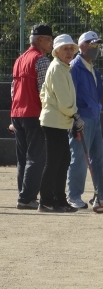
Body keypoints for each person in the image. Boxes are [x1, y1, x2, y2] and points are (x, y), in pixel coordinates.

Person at [67, 31, 103, 209]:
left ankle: (102, 196)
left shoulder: (93, 69)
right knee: (79, 159)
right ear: (81, 46)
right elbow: (71, 95)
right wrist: (76, 119)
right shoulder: (75, 67)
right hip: (82, 118)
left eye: (97, 45)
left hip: (94, 116)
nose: (96, 48)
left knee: (100, 158)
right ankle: (73, 196)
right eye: (92, 45)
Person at [38, 34, 84, 213]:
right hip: (54, 122)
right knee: (54, 162)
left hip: (59, 121)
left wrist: (71, 116)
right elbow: (65, 102)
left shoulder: (63, 68)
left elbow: (44, 92)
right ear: (56, 51)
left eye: (72, 48)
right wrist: (75, 116)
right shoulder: (57, 68)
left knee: (63, 160)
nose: (70, 51)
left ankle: (59, 200)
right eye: (65, 48)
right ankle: (47, 201)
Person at [10, 24, 53, 210]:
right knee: (36, 157)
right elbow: (44, 91)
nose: (51, 44)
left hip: (17, 113)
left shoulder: (20, 60)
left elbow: (13, 90)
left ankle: (24, 195)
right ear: (40, 40)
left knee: (23, 158)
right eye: (50, 40)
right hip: (34, 113)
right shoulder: (41, 61)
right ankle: (27, 198)